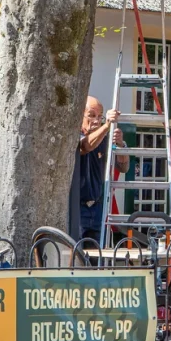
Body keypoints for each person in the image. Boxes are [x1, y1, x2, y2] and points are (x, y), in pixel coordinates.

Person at [69, 96, 129, 243]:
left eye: (100, 116)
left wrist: (120, 145)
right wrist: (107, 125)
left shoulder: (103, 137)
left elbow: (123, 167)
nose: (96, 120)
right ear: (80, 115)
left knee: (96, 253)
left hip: (97, 207)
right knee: (76, 252)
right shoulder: (73, 135)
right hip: (77, 207)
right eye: (91, 115)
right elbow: (85, 146)